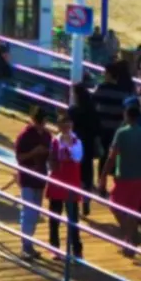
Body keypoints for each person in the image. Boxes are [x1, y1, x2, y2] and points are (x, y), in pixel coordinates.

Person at [99, 98, 141, 256]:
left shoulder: (121, 133)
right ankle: (129, 240)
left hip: (124, 177)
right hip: (139, 178)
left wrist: (103, 176)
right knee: (132, 210)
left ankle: (129, 239)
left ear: (126, 115)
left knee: (114, 204)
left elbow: (111, 157)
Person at [14, 105, 52, 261]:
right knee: (28, 211)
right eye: (39, 122)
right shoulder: (24, 136)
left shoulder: (47, 136)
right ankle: (26, 245)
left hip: (40, 178)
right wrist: (33, 153)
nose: (41, 125)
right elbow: (20, 158)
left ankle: (29, 243)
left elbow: (51, 155)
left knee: (35, 213)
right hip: (28, 178)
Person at [46, 110, 84, 260]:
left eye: (69, 124)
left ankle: (77, 250)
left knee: (73, 219)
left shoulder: (77, 141)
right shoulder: (55, 141)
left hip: (72, 181)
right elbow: (52, 159)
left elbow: (77, 157)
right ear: (59, 126)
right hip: (58, 180)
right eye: (63, 124)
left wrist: (67, 149)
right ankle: (54, 247)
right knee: (54, 217)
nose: (67, 127)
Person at [69, 80, 101, 216]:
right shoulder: (92, 109)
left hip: (76, 144)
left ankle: (76, 201)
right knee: (88, 172)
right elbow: (97, 128)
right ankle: (86, 200)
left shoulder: (73, 111)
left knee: (76, 173)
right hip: (88, 144)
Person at [92, 63, 127, 176]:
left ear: (110, 74)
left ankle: (101, 180)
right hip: (116, 129)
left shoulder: (101, 88)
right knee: (112, 155)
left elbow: (92, 104)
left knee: (103, 156)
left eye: (105, 73)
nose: (103, 74)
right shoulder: (123, 92)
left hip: (101, 128)